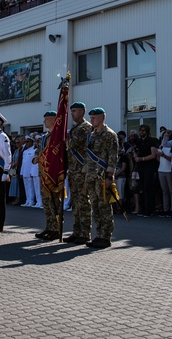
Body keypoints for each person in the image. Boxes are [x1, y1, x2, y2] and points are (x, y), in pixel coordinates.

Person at [85, 107, 119, 249]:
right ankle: (98, 235)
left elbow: (113, 156)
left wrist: (109, 176)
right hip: (92, 176)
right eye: (91, 117)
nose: (91, 120)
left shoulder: (110, 135)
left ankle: (106, 237)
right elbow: (88, 157)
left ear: (101, 118)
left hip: (102, 176)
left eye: (94, 117)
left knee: (104, 207)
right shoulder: (91, 135)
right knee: (95, 206)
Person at [64, 102, 93, 244]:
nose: (72, 114)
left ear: (82, 112)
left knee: (83, 202)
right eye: (71, 111)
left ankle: (85, 233)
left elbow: (72, 145)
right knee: (75, 203)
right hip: (73, 170)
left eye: (75, 111)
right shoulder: (75, 128)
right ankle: (76, 231)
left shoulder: (85, 128)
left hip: (82, 170)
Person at [36, 111, 65, 240]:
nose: (44, 122)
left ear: (54, 120)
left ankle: (56, 229)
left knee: (54, 202)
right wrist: (36, 158)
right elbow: (39, 152)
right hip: (43, 173)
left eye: (46, 119)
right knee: (46, 203)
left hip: (52, 174)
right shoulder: (44, 137)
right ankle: (49, 227)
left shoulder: (58, 137)